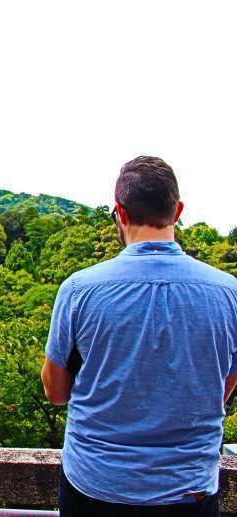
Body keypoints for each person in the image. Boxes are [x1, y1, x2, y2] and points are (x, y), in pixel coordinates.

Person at [41, 156, 237, 516]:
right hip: (187, 488)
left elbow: (55, 392)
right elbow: (220, 389)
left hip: (96, 484)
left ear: (120, 212)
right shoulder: (229, 293)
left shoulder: (80, 290)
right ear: (178, 211)